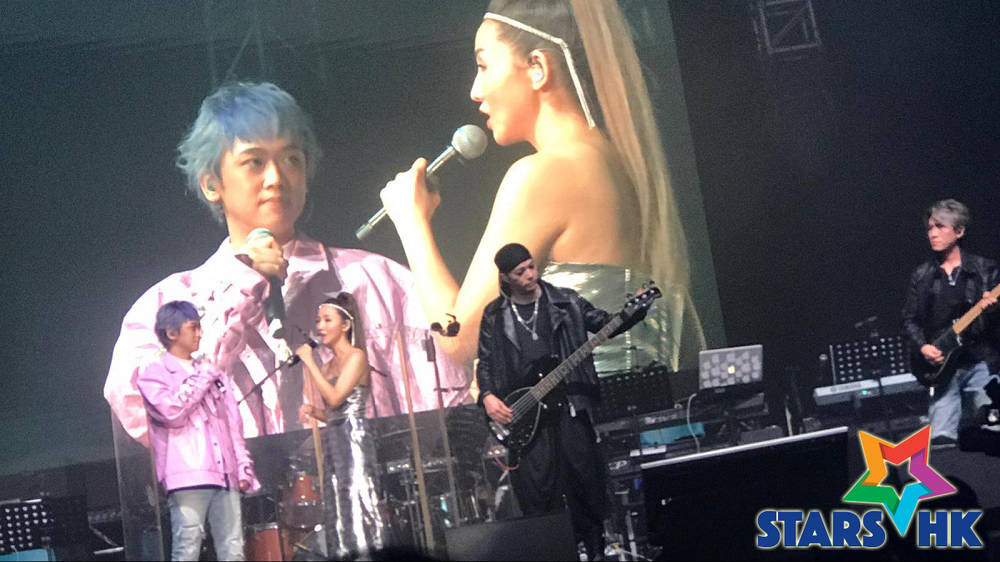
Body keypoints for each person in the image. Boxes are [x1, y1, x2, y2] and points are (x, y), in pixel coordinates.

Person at [105, 82, 470, 446]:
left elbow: (455, 400)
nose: (276, 178)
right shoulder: (166, 304)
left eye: (291, 159)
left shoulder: (376, 280)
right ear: (212, 184)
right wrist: (244, 285)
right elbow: (149, 413)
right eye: (255, 162)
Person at [379, 0, 704, 372]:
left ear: (537, 67)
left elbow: (459, 339)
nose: (475, 91)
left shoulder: (546, 173)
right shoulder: (619, 163)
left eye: (483, 66)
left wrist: (411, 222)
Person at [476, 243, 647, 560]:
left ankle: (595, 551)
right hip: (527, 415)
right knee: (540, 493)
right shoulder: (495, 315)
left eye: (531, 266)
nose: (530, 274)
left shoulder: (565, 301)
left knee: (585, 481)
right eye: (520, 272)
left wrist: (634, 311)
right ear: (506, 277)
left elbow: (604, 323)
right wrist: (487, 396)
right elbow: (484, 363)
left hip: (570, 406)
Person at [136, 300, 260, 561]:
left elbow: (232, 425)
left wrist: (242, 466)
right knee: (187, 549)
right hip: (187, 476)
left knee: (234, 550)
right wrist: (204, 376)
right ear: (171, 333)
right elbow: (171, 413)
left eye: (199, 327)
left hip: (225, 474)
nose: (199, 334)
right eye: (193, 327)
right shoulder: (154, 374)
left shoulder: (214, 374)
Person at [901, 199, 999, 446]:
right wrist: (923, 346)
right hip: (943, 370)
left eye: (940, 227)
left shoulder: (985, 269)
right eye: (930, 228)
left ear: (959, 231)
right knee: (942, 442)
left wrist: (993, 310)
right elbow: (910, 320)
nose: (932, 233)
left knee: (989, 430)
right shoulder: (922, 275)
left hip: (980, 362)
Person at [294, 293, 385, 558]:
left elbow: (336, 399)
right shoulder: (327, 366)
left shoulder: (357, 356)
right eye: (318, 321)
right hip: (334, 441)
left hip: (354, 439)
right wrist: (314, 412)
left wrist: (309, 361)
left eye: (327, 320)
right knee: (337, 502)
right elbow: (333, 412)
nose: (320, 326)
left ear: (345, 325)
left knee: (357, 498)